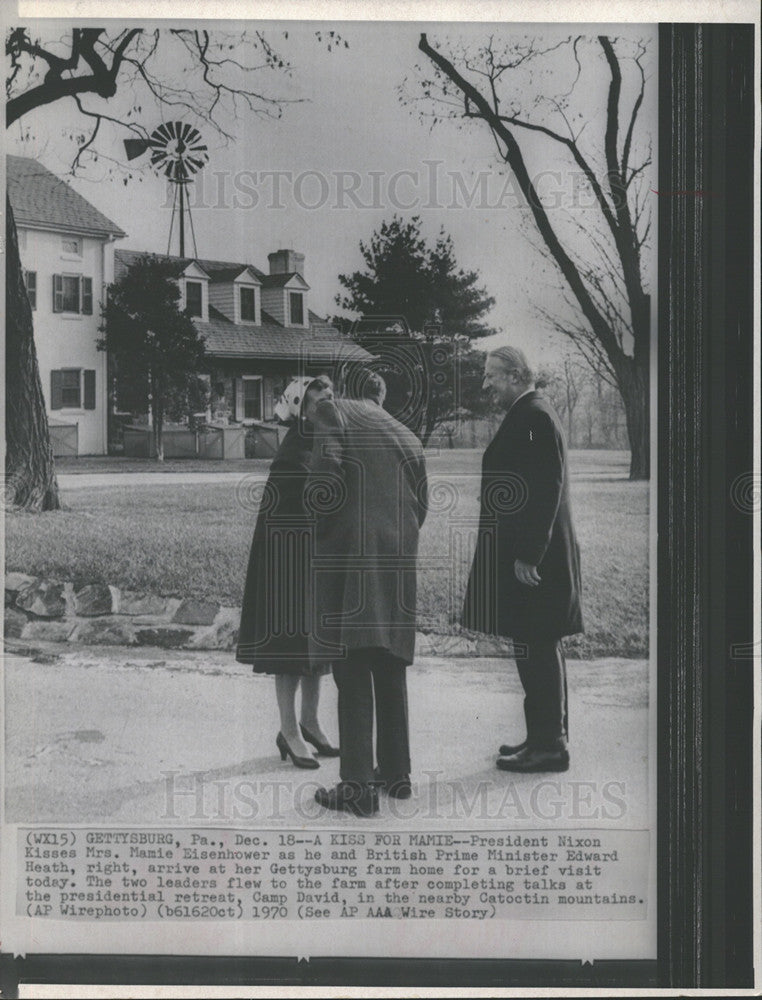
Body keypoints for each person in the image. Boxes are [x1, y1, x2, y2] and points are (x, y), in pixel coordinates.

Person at [304, 375, 427, 816]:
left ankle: (357, 786)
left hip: (352, 555)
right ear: (381, 395)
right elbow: (422, 504)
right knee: (390, 663)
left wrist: (320, 530)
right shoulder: (406, 432)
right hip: (398, 556)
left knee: (352, 665)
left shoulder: (332, 411)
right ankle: (397, 776)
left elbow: (324, 481)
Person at [462, 347, 583, 773]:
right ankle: (545, 737)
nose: (486, 384)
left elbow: (544, 486)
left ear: (514, 375)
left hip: (536, 563)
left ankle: (549, 746)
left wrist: (529, 555)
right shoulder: (532, 411)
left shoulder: (532, 417)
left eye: (491, 375)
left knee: (536, 646)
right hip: (533, 557)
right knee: (536, 645)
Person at [236, 375, 339, 769]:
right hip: (288, 557)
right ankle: (289, 729)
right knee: (290, 645)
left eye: (330, 391)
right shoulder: (294, 447)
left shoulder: (326, 439)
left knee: (317, 641)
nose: (327, 395)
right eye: (318, 391)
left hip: (316, 553)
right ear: (300, 403)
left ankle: (311, 720)